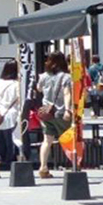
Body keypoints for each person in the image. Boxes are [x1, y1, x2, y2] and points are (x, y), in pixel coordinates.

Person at [35, 51, 72, 179]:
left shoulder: (44, 76)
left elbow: (38, 89)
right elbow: (67, 94)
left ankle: (43, 167)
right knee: (69, 138)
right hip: (60, 112)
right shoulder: (66, 77)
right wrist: (68, 110)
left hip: (46, 113)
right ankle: (74, 166)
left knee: (47, 140)